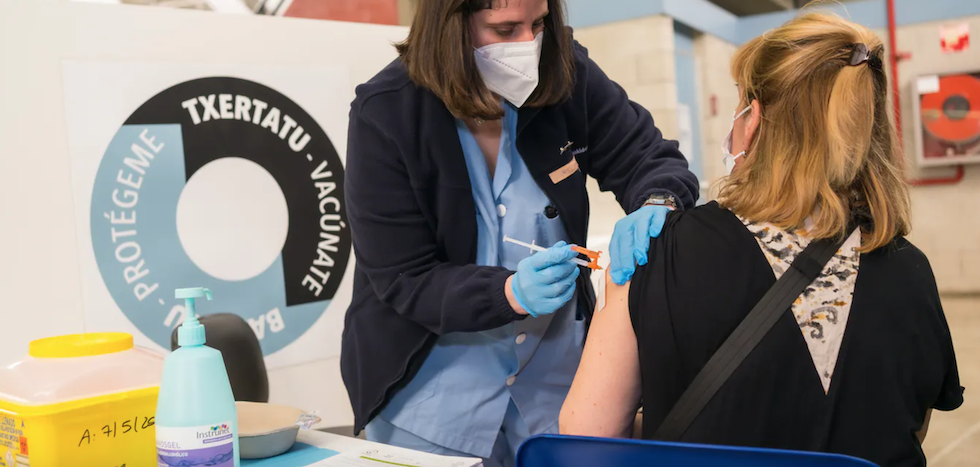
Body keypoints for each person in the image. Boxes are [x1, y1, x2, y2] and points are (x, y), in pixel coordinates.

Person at [560, 13, 964, 467]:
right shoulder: (913, 273)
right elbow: (907, 425)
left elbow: (588, 439)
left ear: (751, 120)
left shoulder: (656, 253)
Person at [340, 0, 699, 465]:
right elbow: (402, 277)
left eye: (539, 24)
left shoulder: (568, 73)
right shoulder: (385, 113)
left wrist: (658, 201)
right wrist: (507, 293)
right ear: (451, 26)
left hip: (556, 386)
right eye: (504, 28)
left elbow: (649, 157)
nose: (527, 45)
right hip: (432, 398)